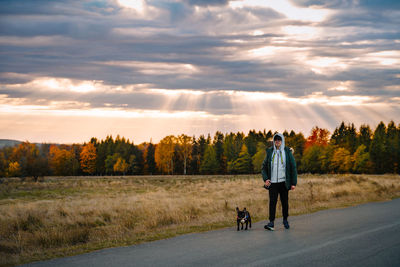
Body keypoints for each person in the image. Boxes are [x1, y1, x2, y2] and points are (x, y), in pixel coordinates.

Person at [261, 133, 297, 231]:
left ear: (282, 141)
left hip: (284, 182)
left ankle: (285, 220)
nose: (277, 141)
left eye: (279, 139)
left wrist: (293, 183)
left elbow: (293, 168)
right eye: (275, 139)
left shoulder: (287, 152)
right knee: (272, 202)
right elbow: (263, 167)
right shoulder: (270, 152)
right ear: (274, 141)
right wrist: (266, 179)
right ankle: (271, 223)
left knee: (285, 202)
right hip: (272, 183)